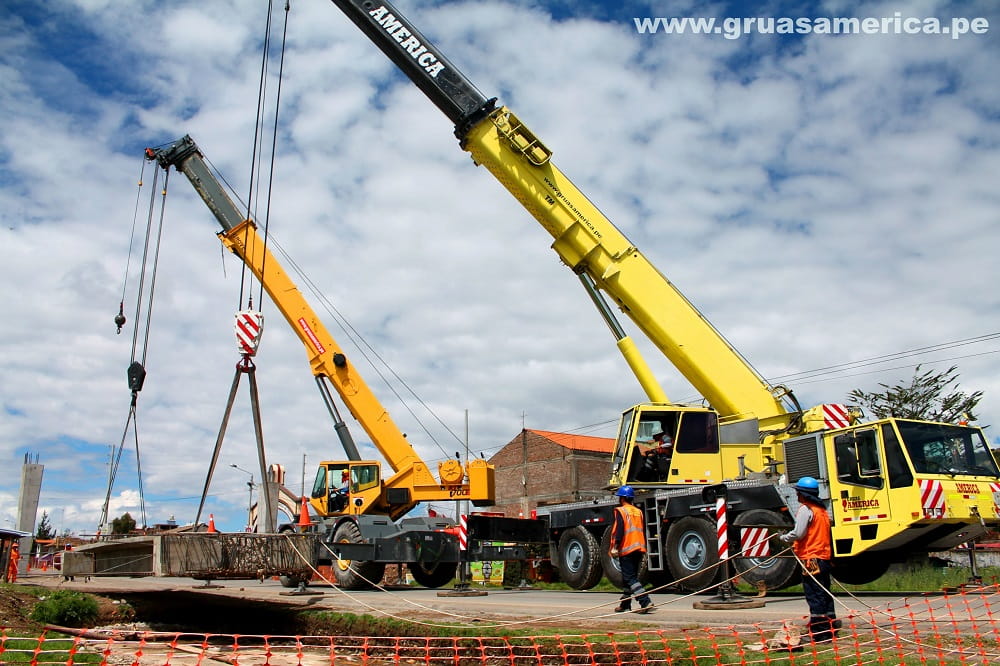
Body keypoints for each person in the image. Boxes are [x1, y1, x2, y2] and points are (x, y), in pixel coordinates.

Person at [779, 476, 836, 642]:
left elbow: (799, 533)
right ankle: (830, 627)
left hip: (811, 558)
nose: (797, 495)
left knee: (814, 595)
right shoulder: (822, 511)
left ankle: (820, 633)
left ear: (803, 494)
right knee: (825, 593)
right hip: (824, 557)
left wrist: (784, 538)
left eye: (798, 492)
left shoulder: (806, 510)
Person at [609, 485, 654, 613]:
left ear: (622, 498)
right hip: (638, 547)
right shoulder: (638, 511)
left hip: (627, 548)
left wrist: (615, 547)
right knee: (628, 577)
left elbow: (619, 530)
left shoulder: (621, 511)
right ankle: (625, 605)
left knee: (630, 578)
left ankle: (645, 601)